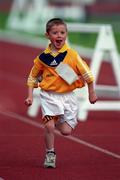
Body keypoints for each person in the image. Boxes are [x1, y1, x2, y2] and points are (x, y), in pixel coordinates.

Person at [25, 18, 97, 168]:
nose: (59, 35)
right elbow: (32, 76)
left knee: (66, 131)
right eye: (55, 32)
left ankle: (54, 119)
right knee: (49, 127)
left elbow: (87, 74)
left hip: (68, 97)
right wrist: (30, 96)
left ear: (66, 34)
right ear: (47, 35)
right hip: (49, 96)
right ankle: (50, 153)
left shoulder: (72, 55)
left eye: (62, 32)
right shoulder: (42, 58)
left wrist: (91, 92)